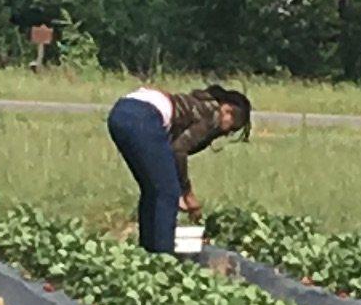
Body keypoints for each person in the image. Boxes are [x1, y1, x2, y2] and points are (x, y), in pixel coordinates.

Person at [107, 79, 252, 252]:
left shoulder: (198, 103)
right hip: (144, 115)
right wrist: (187, 193)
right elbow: (178, 150)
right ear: (227, 110)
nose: (227, 132)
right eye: (232, 127)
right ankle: (163, 256)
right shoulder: (213, 114)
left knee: (153, 189)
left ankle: (147, 251)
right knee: (167, 193)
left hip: (120, 112)